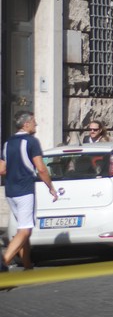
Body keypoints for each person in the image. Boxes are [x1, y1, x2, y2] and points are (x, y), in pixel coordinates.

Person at [0, 111, 58, 271]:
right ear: (26, 124)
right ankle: (4, 261)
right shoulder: (31, 141)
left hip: (10, 191)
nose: (36, 124)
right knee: (25, 230)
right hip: (25, 189)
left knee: (23, 228)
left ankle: (27, 265)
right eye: (33, 121)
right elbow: (41, 169)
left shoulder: (7, 142)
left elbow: (1, 169)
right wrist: (51, 188)